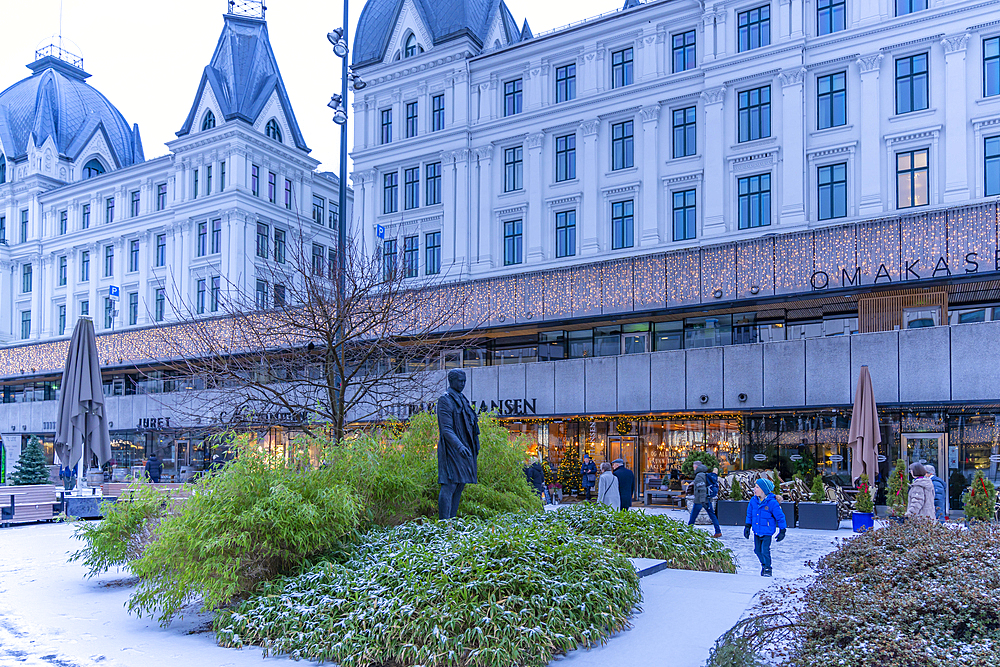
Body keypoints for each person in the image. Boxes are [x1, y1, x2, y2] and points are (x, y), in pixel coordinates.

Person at [436, 369, 480, 519]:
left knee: (460, 484)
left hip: (466, 449)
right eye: (460, 381)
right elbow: (446, 429)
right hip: (452, 449)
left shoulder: (462, 399)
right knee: (449, 484)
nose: (462, 384)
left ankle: (452, 521)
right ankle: (443, 524)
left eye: (464, 381)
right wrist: (459, 446)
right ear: (452, 381)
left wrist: (474, 443)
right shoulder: (445, 400)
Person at [744, 478, 787, 577]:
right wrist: (747, 526)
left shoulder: (772, 503)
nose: (754, 489)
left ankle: (768, 568)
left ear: (763, 490)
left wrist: (782, 530)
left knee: (765, 550)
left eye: (757, 487)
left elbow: (780, 517)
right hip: (756, 530)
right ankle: (763, 565)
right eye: (755, 487)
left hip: (767, 531)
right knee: (757, 550)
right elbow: (749, 514)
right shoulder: (753, 500)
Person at [688, 461, 722, 538]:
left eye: (693, 467)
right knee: (712, 515)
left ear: (696, 467)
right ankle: (718, 531)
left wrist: (702, 501)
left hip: (700, 500)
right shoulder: (705, 474)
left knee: (693, 516)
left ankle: (688, 531)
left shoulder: (699, 476)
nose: (693, 468)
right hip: (706, 499)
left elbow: (702, 489)